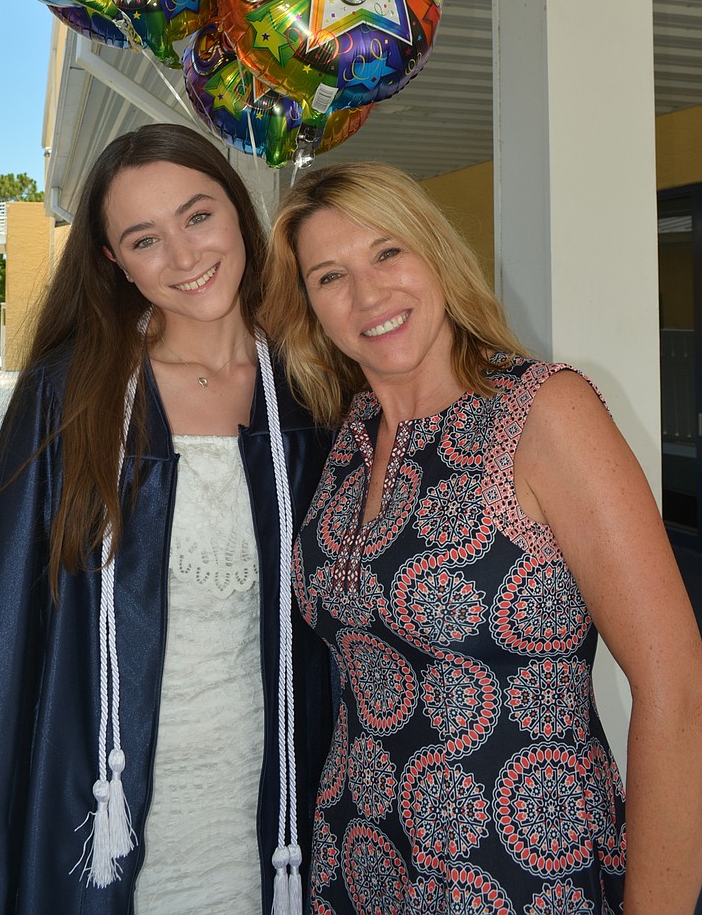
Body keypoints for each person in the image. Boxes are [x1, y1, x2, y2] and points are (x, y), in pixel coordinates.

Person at [0, 124, 334, 915]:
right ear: (113, 260)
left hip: (281, 820)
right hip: (103, 819)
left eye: (198, 217)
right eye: (146, 239)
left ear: (238, 211)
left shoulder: (312, 391)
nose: (184, 257)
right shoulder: (70, 400)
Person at [262, 160, 702, 915]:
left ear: (436, 253)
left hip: (515, 870)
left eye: (388, 252)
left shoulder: (542, 412)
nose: (368, 295)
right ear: (310, 307)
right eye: (330, 277)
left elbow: (678, 689)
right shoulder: (353, 438)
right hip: (359, 855)